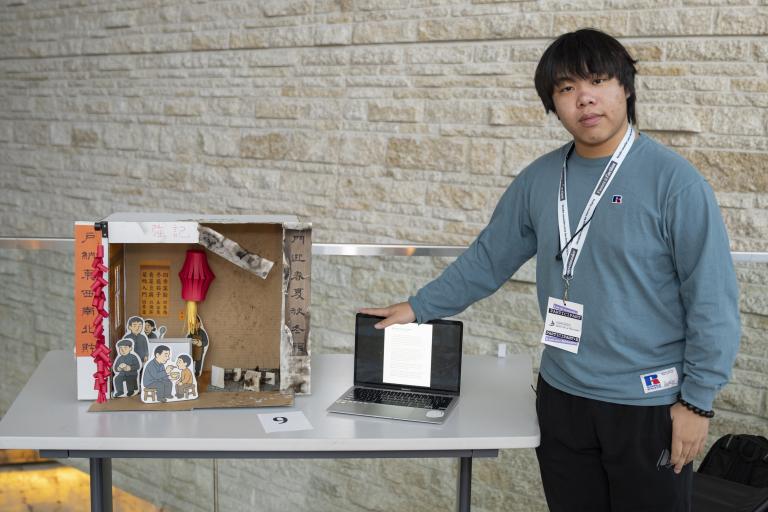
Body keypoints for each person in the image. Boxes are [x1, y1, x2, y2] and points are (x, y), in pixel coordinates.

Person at [361, 28, 740, 512]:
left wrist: (697, 401)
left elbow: (712, 299)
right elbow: (488, 259)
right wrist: (418, 307)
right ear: (553, 104)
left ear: (625, 87)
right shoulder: (539, 179)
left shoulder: (676, 183)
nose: (585, 98)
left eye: (598, 81)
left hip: (649, 405)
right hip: (562, 397)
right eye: (566, 88)